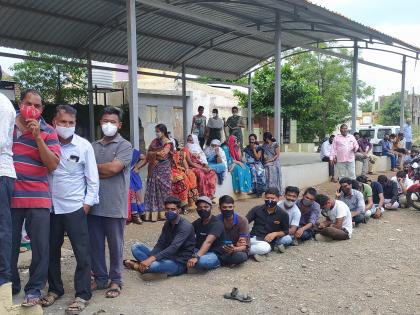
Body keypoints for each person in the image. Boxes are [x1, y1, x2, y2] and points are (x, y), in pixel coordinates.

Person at [42, 105, 99, 312]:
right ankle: (55, 289)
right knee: (50, 251)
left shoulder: (83, 146)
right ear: (54, 123)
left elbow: (93, 179)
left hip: (75, 207)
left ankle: (82, 294)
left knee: (82, 253)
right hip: (50, 209)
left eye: (71, 123)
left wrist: (86, 205)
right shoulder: (45, 143)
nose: (67, 126)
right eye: (63, 122)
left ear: (75, 124)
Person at [10, 89, 61, 306]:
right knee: (8, 245)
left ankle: (34, 289)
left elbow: (53, 165)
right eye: (28, 103)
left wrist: (38, 136)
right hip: (10, 196)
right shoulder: (6, 125)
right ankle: (10, 285)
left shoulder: (49, 131)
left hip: (38, 198)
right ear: (20, 104)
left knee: (40, 247)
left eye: (37, 106)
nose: (32, 108)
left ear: (42, 109)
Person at [89, 106, 132, 298]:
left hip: (115, 205)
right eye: (105, 121)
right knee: (95, 244)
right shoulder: (92, 146)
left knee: (115, 245)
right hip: (93, 204)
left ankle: (116, 280)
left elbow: (113, 169)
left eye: (112, 122)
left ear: (119, 125)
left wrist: (90, 167)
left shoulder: (125, 146)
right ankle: (99, 278)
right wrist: (100, 169)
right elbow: (103, 170)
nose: (108, 125)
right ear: (100, 123)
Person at [127, 197, 195, 280]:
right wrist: (151, 257)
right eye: (167, 209)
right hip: (164, 256)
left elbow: (173, 247)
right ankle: (148, 267)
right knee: (136, 247)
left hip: (178, 261)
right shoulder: (168, 223)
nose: (169, 212)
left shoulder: (185, 226)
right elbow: (160, 244)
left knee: (154, 265)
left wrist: (151, 259)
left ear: (179, 210)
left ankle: (139, 266)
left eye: (173, 209)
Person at [0, 93, 16, 290]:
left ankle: (3, 280)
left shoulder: (2, 105)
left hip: (1, 174)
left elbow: (1, 140)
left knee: (2, 229)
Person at [142, 124, 173, 221]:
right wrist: (156, 154)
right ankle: (152, 214)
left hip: (163, 170)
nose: (157, 133)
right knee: (152, 191)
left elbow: (163, 155)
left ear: (163, 132)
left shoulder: (168, 143)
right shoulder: (154, 142)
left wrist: (154, 154)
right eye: (156, 131)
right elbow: (149, 154)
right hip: (153, 169)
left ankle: (165, 213)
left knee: (164, 190)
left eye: (158, 131)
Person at [246, 187, 289, 258]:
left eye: (273, 198)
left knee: (265, 248)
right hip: (252, 237)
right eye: (267, 198)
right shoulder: (256, 209)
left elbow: (286, 231)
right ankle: (248, 251)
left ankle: (243, 250)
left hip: (266, 242)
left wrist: (275, 234)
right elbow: (245, 222)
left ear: (278, 199)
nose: (270, 200)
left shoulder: (283, 214)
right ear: (264, 198)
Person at [188, 196, 225, 271]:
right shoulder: (197, 222)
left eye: (206, 207)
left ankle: (217, 263)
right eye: (200, 207)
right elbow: (186, 232)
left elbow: (208, 242)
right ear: (197, 209)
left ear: (211, 208)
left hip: (213, 253)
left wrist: (197, 257)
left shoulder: (217, 223)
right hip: (198, 250)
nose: (203, 209)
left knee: (202, 262)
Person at [217, 195, 249, 266]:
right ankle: (223, 260)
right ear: (219, 208)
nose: (227, 209)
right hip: (221, 248)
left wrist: (234, 249)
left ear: (233, 207)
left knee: (241, 256)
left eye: (230, 207)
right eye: (224, 207)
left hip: (237, 250)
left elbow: (244, 246)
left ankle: (220, 261)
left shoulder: (242, 220)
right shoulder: (217, 220)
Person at [186, 134, 217, 198]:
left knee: (212, 173)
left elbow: (203, 160)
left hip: (201, 166)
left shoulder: (199, 149)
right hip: (192, 167)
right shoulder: (186, 149)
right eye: (188, 140)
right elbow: (190, 163)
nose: (189, 142)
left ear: (195, 141)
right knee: (201, 174)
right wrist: (202, 168)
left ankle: (210, 194)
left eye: (191, 140)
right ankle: (203, 195)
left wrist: (206, 166)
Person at [171, 142, 199, 212]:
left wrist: (186, 169)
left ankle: (191, 201)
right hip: (171, 171)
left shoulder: (181, 153)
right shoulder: (167, 154)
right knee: (183, 179)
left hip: (180, 170)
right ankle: (183, 204)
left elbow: (185, 163)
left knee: (191, 174)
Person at [129, 149, 145, 224]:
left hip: (133, 175)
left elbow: (144, 158)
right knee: (131, 195)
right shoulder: (117, 152)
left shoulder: (133, 152)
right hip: (124, 176)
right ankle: (134, 215)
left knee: (138, 193)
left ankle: (141, 213)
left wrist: (137, 166)